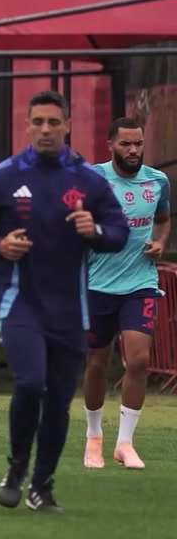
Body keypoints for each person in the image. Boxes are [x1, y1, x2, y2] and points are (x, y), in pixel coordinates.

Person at [0, 90, 128, 512]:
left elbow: (118, 232)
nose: (46, 130)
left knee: (58, 400)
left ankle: (42, 486)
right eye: (38, 122)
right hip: (19, 302)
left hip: (70, 307)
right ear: (27, 125)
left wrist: (95, 231)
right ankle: (16, 466)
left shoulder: (88, 180)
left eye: (54, 122)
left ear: (68, 125)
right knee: (31, 382)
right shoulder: (2, 177)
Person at [82, 117, 170, 470]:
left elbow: (162, 219)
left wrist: (160, 243)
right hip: (97, 285)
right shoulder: (93, 179)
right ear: (110, 146)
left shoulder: (157, 181)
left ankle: (125, 443)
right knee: (97, 363)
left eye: (138, 144)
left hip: (140, 283)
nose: (133, 150)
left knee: (138, 360)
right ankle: (93, 438)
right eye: (125, 144)